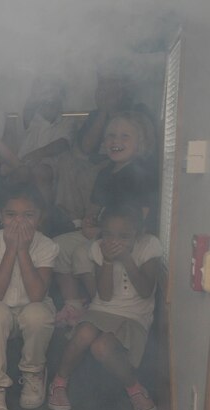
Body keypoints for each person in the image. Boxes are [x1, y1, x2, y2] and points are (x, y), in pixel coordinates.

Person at [48, 205, 163, 410]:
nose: (114, 241)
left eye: (124, 236)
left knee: (101, 347)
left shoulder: (149, 245)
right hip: (103, 308)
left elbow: (146, 291)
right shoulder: (99, 248)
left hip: (134, 314)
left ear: (138, 232)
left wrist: (127, 259)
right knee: (83, 334)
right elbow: (105, 295)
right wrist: (108, 261)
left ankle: (134, 388)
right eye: (108, 234)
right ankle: (59, 382)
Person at [53, 110, 157, 327]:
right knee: (58, 247)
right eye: (111, 136)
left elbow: (142, 218)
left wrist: (100, 234)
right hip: (98, 231)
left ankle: (101, 305)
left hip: (124, 237)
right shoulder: (105, 173)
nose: (115, 141)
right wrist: (89, 221)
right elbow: (93, 208)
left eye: (124, 136)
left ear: (140, 142)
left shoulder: (142, 174)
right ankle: (74, 305)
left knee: (83, 254)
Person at [0, 186, 58, 410]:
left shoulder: (47, 245)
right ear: (0, 217)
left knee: (38, 313)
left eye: (28, 215)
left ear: (39, 218)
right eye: (11, 215)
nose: (19, 222)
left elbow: (36, 295)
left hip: (31, 307)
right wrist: (10, 248)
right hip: (1, 306)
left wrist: (22, 250)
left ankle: (33, 373)